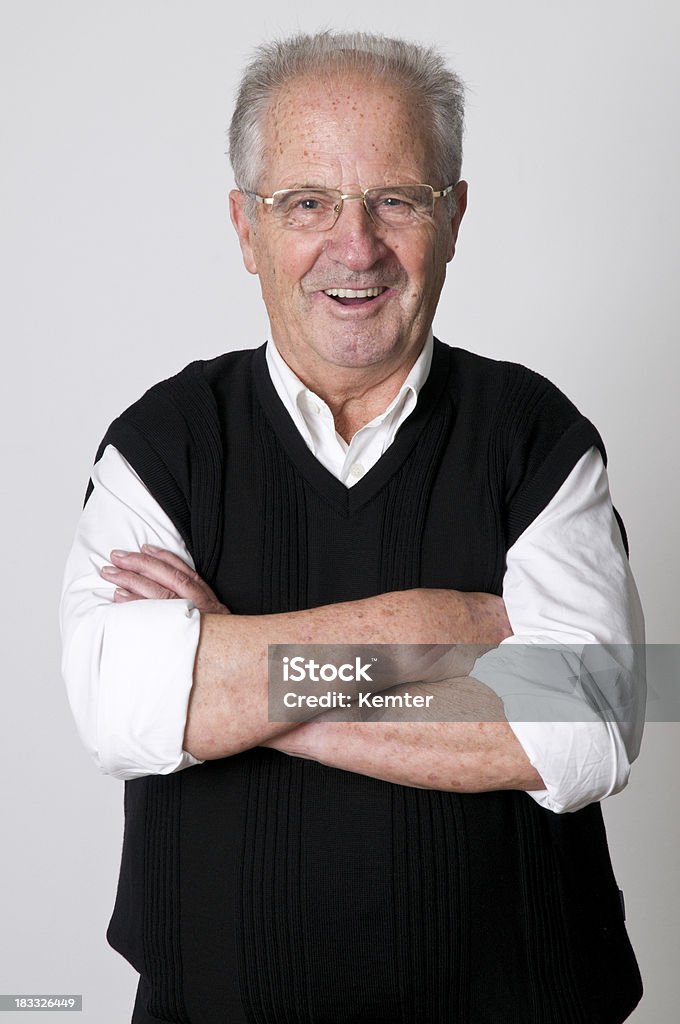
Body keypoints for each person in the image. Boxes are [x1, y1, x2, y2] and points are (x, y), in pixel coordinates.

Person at [60, 30, 646, 1024]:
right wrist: (440, 634)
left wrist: (239, 693)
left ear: (452, 217)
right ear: (246, 229)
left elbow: (589, 729)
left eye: (395, 199)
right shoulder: (161, 445)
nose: (356, 245)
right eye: (306, 204)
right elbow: (120, 705)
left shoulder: (536, 436)